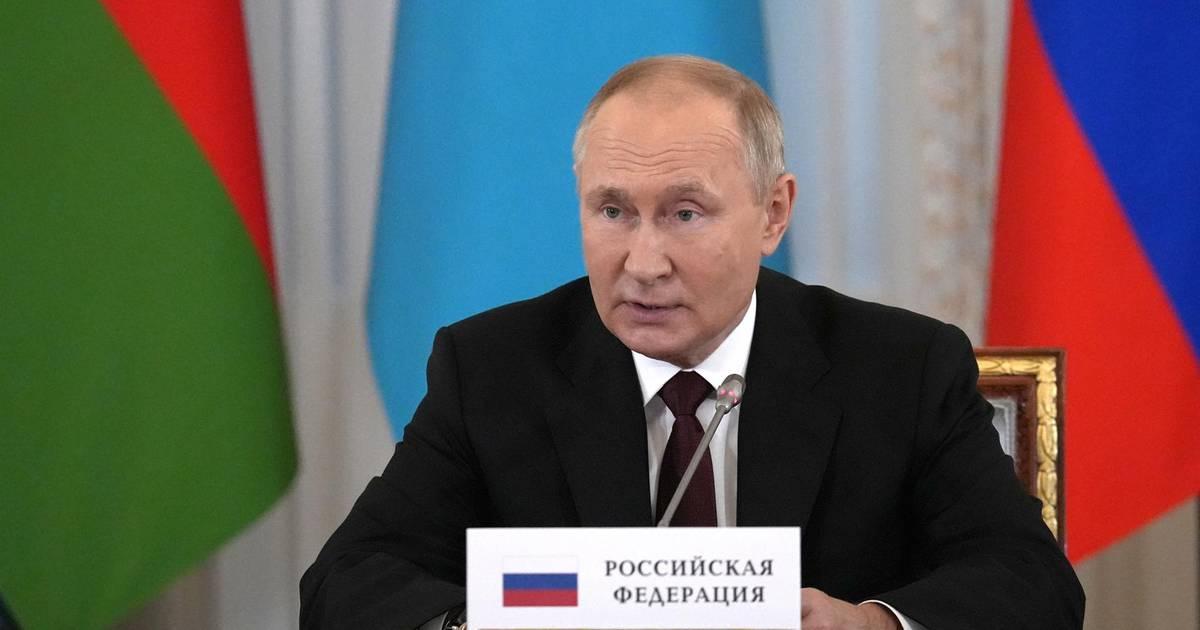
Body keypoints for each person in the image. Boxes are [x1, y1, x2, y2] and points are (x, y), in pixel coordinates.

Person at [300, 55, 1084, 630]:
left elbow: (1031, 583)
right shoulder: (494, 369)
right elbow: (347, 581)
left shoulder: (900, 368)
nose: (643, 263)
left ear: (773, 214)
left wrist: (874, 624)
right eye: (613, 211)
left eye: (685, 213)